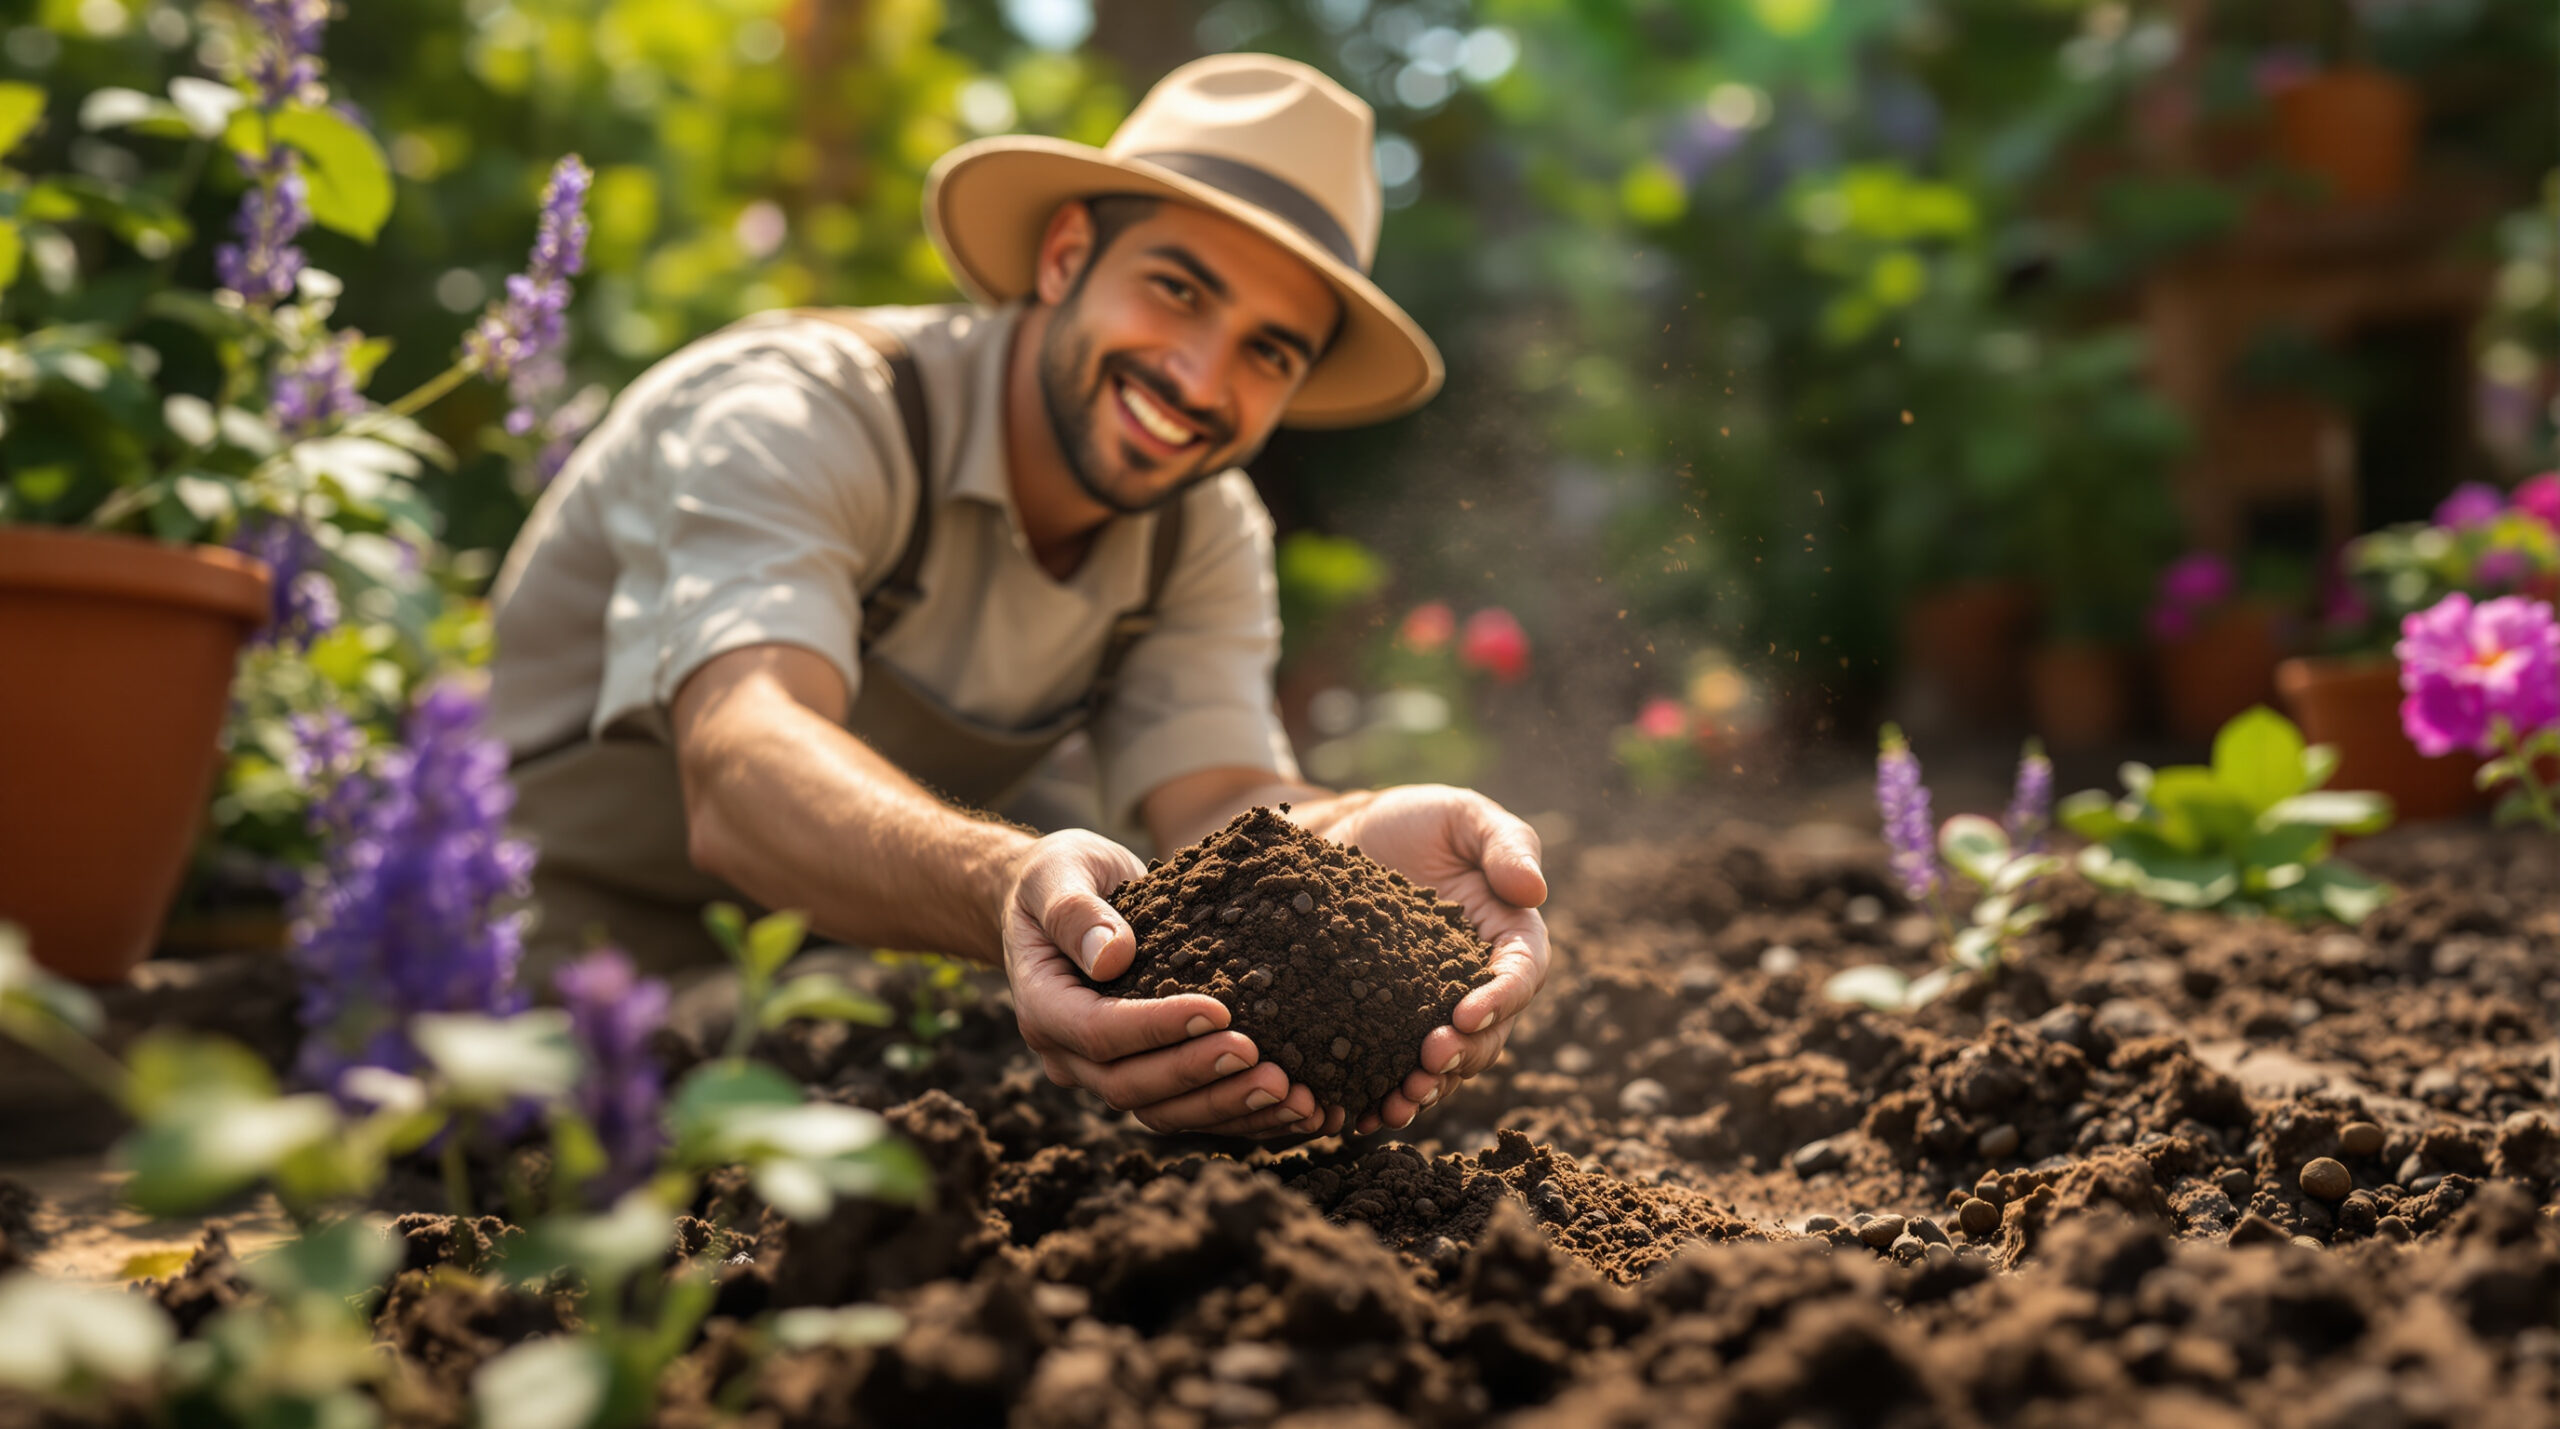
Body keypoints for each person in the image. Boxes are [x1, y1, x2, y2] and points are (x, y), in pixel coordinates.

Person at [487, 53, 1549, 1140]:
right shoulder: (802, 413)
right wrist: (1006, 883)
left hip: (806, 995)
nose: (1195, 376)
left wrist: (1360, 847)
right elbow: (741, 757)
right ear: (1066, 255)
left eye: (1265, 352)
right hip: (519, 994)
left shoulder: (1199, 523)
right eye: (1177, 290)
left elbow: (1219, 798)